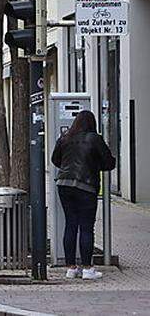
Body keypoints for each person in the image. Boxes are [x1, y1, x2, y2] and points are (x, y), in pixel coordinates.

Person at [51, 110, 116, 280]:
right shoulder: (94, 138)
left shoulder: (65, 137)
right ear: (91, 123)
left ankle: (71, 268)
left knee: (70, 224)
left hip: (64, 185)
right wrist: (95, 165)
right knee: (86, 227)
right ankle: (87, 269)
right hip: (86, 186)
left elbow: (55, 159)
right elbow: (109, 162)